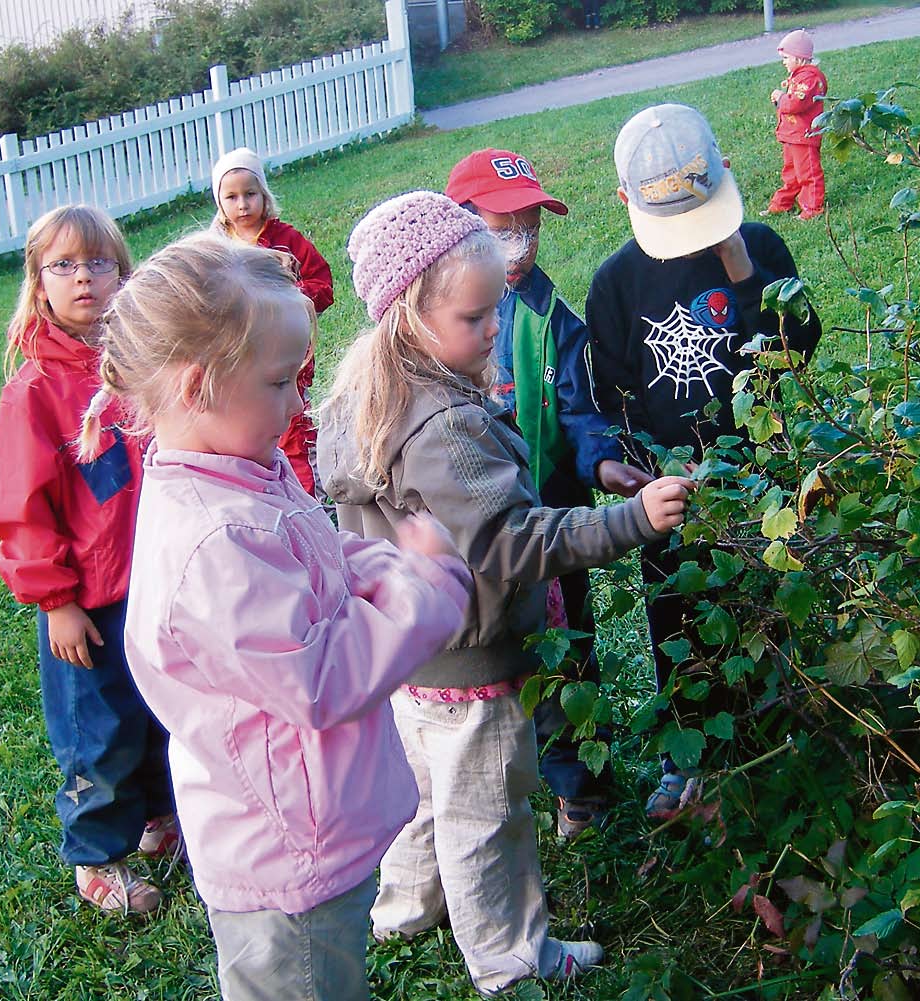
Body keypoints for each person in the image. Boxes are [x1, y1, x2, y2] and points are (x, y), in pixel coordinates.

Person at [317, 190, 694, 995]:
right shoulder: (444, 427)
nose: (495, 329)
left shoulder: (364, 398)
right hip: (472, 664)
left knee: (423, 792)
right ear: (409, 314)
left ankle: (404, 907)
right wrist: (631, 519)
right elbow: (516, 541)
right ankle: (509, 954)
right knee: (488, 812)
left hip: (410, 654)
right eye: (476, 317)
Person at [82, 232, 471, 1001]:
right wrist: (427, 591)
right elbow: (322, 675)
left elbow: (314, 558)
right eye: (280, 382)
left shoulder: (234, 470)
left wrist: (385, 564)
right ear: (198, 385)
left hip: (305, 823)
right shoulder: (215, 539)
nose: (298, 402)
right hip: (285, 861)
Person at [579, 104, 822, 814]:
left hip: (762, 481)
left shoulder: (763, 247)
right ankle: (688, 752)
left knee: (766, 603)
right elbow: (613, 393)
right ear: (625, 201)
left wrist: (744, 273)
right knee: (675, 615)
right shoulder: (615, 283)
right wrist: (641, 468)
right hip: (670, 496)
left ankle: (775, 730)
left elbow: (796, 350)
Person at [0, 205, 177, 915]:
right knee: (99, 732)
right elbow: (20, 508)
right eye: (63, 265)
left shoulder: (140, 362)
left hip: (153, 581)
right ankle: (97, 856)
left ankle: (158, 818)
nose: (85, 278)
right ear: (38, 283)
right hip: (85, 603)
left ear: (123, 273)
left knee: (159, 707)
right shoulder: (32, 392)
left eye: (99, 262)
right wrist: (55, 599)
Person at [444, 148, 614, 838]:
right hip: (473, 534)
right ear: (458, 229)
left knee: (567, 649)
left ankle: (580, 788)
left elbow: (581, 412)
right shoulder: (436, 319)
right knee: (486, 661)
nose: (519, 244)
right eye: (501, 228)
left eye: (529, 228)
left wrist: (603, 464)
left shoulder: (554, 321)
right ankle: (489, 790)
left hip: (550, 523)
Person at [211, 146, 334, 497]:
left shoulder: (286, 241)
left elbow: (323, 284)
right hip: (240, 356)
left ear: (264, 195)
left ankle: (309, 494)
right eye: (231, 197)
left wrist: (292, 292)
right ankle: (263, 486)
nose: (242, 205)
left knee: (293, 423)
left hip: (286, 354)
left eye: (250, 194)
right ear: (219, 202)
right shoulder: (217, 249)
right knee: (251, 422)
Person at [762, 29, 827, 221]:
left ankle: (812, 208)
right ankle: (782, 204)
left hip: (803, 136)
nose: (783, 62)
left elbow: (796, 104)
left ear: (799, 58)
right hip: (792, 134)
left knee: (808, 173)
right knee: (790, 173)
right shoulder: (799, 76)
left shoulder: (810, 78)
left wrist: (781, 97)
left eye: (786, 57)